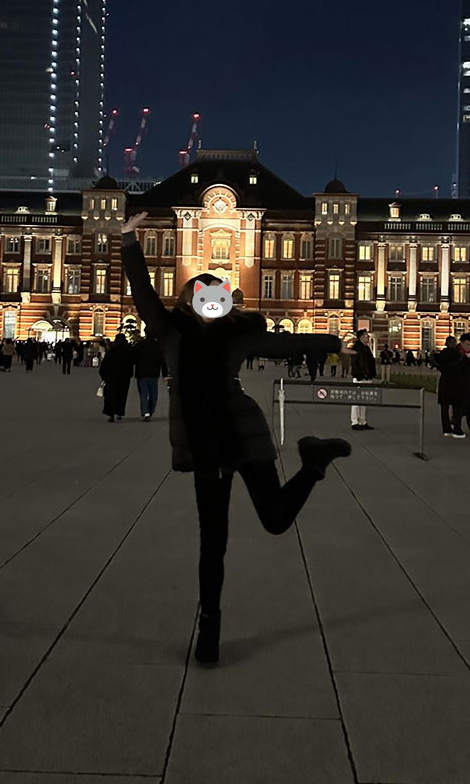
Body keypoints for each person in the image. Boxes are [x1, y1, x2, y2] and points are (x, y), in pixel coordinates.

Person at [120, 208, 352, 666]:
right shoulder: (170, 333)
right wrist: (128, 239)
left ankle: (312, 463)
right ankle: (210, 627)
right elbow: (144, 295)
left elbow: (282, 345)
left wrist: (333, 341)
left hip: (244, 433)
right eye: (205, 296)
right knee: (214, 541)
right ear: (188, 301)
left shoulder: (234, 338)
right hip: (206, 446)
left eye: (220, 297)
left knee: (276, 520)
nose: (213, 303)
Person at [435, 336, 467, 438]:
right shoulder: (458, 355)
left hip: (444, 382)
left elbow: (436, 362)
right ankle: (457, 430)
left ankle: (447, 429)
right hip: (456, 382)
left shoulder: (441, 355)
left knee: (444, 407)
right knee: (458, 406)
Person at [99, 334, 134, 421]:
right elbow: (130, 365)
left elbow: (104, 365)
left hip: (111, 377)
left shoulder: (112, 351)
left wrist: (104, 376)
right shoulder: (127, 351)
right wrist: (129, 375)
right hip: (124, 377)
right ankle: (119, 412)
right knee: (122, 395)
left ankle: (111, 414)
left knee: (111, 395)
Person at [134, 329, 166, 419]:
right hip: (154, 373)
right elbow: (162, 360)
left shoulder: (140, 345)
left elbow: (133, 357)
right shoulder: (158, 346)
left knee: (144, 393)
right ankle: (151, 410)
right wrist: (165, 373)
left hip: (141, 373)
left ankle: (146, 412)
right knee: (153, 394)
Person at [348, 328, 377, 431]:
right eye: (366, 336)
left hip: (367, 377)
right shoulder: (357, 348)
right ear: (361, 338)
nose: (367, 338)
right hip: (360, 377)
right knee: (356, 401)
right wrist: (359, 374)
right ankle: (354, 422)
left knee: (364, 400)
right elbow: (354, 364)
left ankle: (362, 421)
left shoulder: (366, 348)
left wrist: (371, 374)